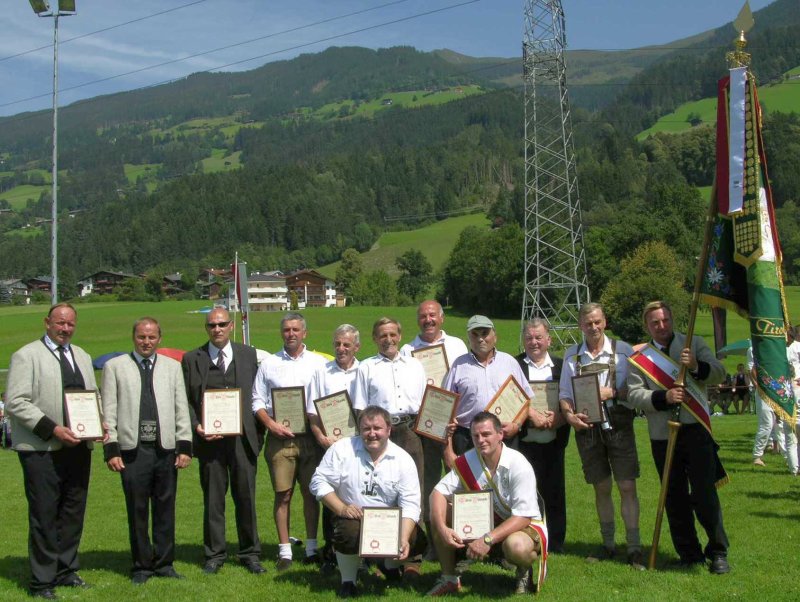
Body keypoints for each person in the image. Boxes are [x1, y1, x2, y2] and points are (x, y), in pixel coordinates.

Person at [627, 301, 730, 573]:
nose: (661, 327)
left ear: (672, 319)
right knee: (673, 497)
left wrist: (696, 366)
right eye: (655, 323)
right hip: (662, 435)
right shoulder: (642, 358)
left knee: (705, 494)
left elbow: (719, 372)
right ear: (647, 326)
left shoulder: (693, 343)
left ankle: (718, 551)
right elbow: (633, 393)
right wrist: (663, 397)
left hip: (695, 431)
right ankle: (689, 553)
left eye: (665, 320)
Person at [6, 303, 98, 598]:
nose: (65, 329)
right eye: (60, 323)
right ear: (47, 323)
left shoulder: (82, 356)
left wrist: (99, 423)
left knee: (73, 511)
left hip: (79, 447)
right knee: (45, 513)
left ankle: (66, 570)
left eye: (70, 324)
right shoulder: (27, 355)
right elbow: (16, 402)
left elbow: (91, 397)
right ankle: (42, 581)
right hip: (42, 448)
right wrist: (53, 428)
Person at [102, 317, 193, 584]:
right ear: (134, 337)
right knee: (137, 509)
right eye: (142, 337)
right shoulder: (114, 367)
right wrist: (111, 449)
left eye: (151, 337)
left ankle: (165, 563)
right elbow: (108, 411)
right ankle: (141, 565)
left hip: (165, 449)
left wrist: (184, 445)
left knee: (166, 508)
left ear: (159, 339)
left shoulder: (172, 367)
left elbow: (181, 409)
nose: (146, 342)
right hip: (132, 450)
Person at [558, 302, 643, 569]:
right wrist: (570, 417)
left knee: (627, 486)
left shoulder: (624, 351)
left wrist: (614, 393)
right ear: (581, 326)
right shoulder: (572, 356)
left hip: (619, 425)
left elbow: (638, 391)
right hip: (587, 429)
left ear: (604, 321)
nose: (593, 327)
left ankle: (634, 547)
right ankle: (608, 544)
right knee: (602, 487)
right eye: (587, 323)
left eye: (597, 322)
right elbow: (564, 396)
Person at [182, 307, 265, 574]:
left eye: (222, 324)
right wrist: (196, 426)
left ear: (231, 326)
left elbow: (258, 396)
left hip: (242, 440)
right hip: (209, 441)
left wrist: (258, 434)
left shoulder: (249, 355)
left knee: (246, 498)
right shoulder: (192, 358)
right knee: (213, 500)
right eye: (211, 325)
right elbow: (185, 401)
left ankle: (250, 553)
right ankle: (214, 555)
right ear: (206, 329)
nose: (217, 329)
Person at [427, 412, 547, 596]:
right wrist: (442, 528)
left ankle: (523, 570)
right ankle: (449, 578)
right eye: (476, 436)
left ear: (500, 435)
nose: (480, 440)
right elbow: (438, 492)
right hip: (490, 521)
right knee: (438, 513)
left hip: (524, 526)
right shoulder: (469, 460)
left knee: (516, 547)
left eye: (486, 434)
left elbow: (523, 516)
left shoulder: (518, 464)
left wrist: (487, 539)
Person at [309, 406, 424, 598]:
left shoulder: (403, 459)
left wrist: (403, 537)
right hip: (353, 517)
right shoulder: (342, 449)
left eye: (377, 428)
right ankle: (348, 581)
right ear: (359, 430)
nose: (372, 434)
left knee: (416, 538)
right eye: (366, 429)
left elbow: (411, 503)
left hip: (387, 522)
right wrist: (342, 508)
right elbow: (318, 481)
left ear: (388, 430)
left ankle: (388, 566)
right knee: (349, 533)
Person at [351, 317, 427, 583]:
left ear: (400, 335)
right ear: (374, 338)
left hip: (409, 432)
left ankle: (411, 560)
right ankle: (373, 554)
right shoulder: (366, 368)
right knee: (375, 490)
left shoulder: (416, 366)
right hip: (378, 435)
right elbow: (360, 408)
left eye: (393, 334)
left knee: (412, 492)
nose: (389, 339)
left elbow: (424, 404)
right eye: (382, 335)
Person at [253, 312, 327, 569]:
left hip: (311, 438)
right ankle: (284, 552)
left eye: (296, 329)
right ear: (281, 333)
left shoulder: (319, 364)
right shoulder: (269, 364)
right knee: (283, 495)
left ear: (304, 333)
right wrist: (270, 424)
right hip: (279, 439)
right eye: (286, 330)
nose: (291, 334)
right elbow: (257, 401)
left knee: (310, 494)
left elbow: (326, 400)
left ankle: (311, 548)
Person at [399, 300, 468, 557]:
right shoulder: (407, 349)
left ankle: (463, 538)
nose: (428, 320)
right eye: (423, 316)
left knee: (459, 481)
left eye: (432, 315)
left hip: (455, 424)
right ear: (417, 320)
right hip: (423, 427)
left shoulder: (457, 344)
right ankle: (431, 542)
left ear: (442, 318)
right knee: (426, 483)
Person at [443, 315, 539, 461]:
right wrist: (448, 451)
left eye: (485, 333)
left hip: (504, 436)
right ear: (468, 338)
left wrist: (517, 425)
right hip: (467, 438)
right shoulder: (458, 365)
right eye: (475, 334)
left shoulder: (509, 362)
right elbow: (445, 411)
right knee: (470, 483)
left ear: (495, 336)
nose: (480, 339)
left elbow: (525, 401)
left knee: (504, 482)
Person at [307, 323, 362, 571]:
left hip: (359, 447)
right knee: (331, 498)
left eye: (346, 344)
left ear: (356, 347)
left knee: (359, 495)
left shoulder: (365, 370)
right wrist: (320, 437)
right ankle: (330, 554)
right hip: (329, 446)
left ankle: (361, 555)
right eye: (337, 344)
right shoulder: (321, 372)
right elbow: (312, 412)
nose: (341, 348)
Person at [515, 318, 569, 553]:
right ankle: (529, 537)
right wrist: (530, 416)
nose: (534, 342)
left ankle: (556, 541)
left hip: (554, 440)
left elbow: (570, 397)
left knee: (555, 491)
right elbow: (510, 398)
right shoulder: (515, 365)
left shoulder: (562, 365)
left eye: (539, 337)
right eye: (529, 338)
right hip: (524, 441)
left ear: (549, 339)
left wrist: (561, 417)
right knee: (526, 493)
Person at [750, 342, 784, 466]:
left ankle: (788, 457)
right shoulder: (765, 356)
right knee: (766, 425)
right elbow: (753, 371)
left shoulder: (780, 356)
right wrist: (758, 387)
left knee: (780, 424)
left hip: (777, 393)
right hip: (764, 394)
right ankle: (757, 456)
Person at [783, 326, 800, 475]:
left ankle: (796, 469)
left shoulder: (797, 348)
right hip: (786, 396)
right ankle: (794, 469)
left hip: (793, 393)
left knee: (793, 437)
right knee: (790, 437)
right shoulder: (778, 350)